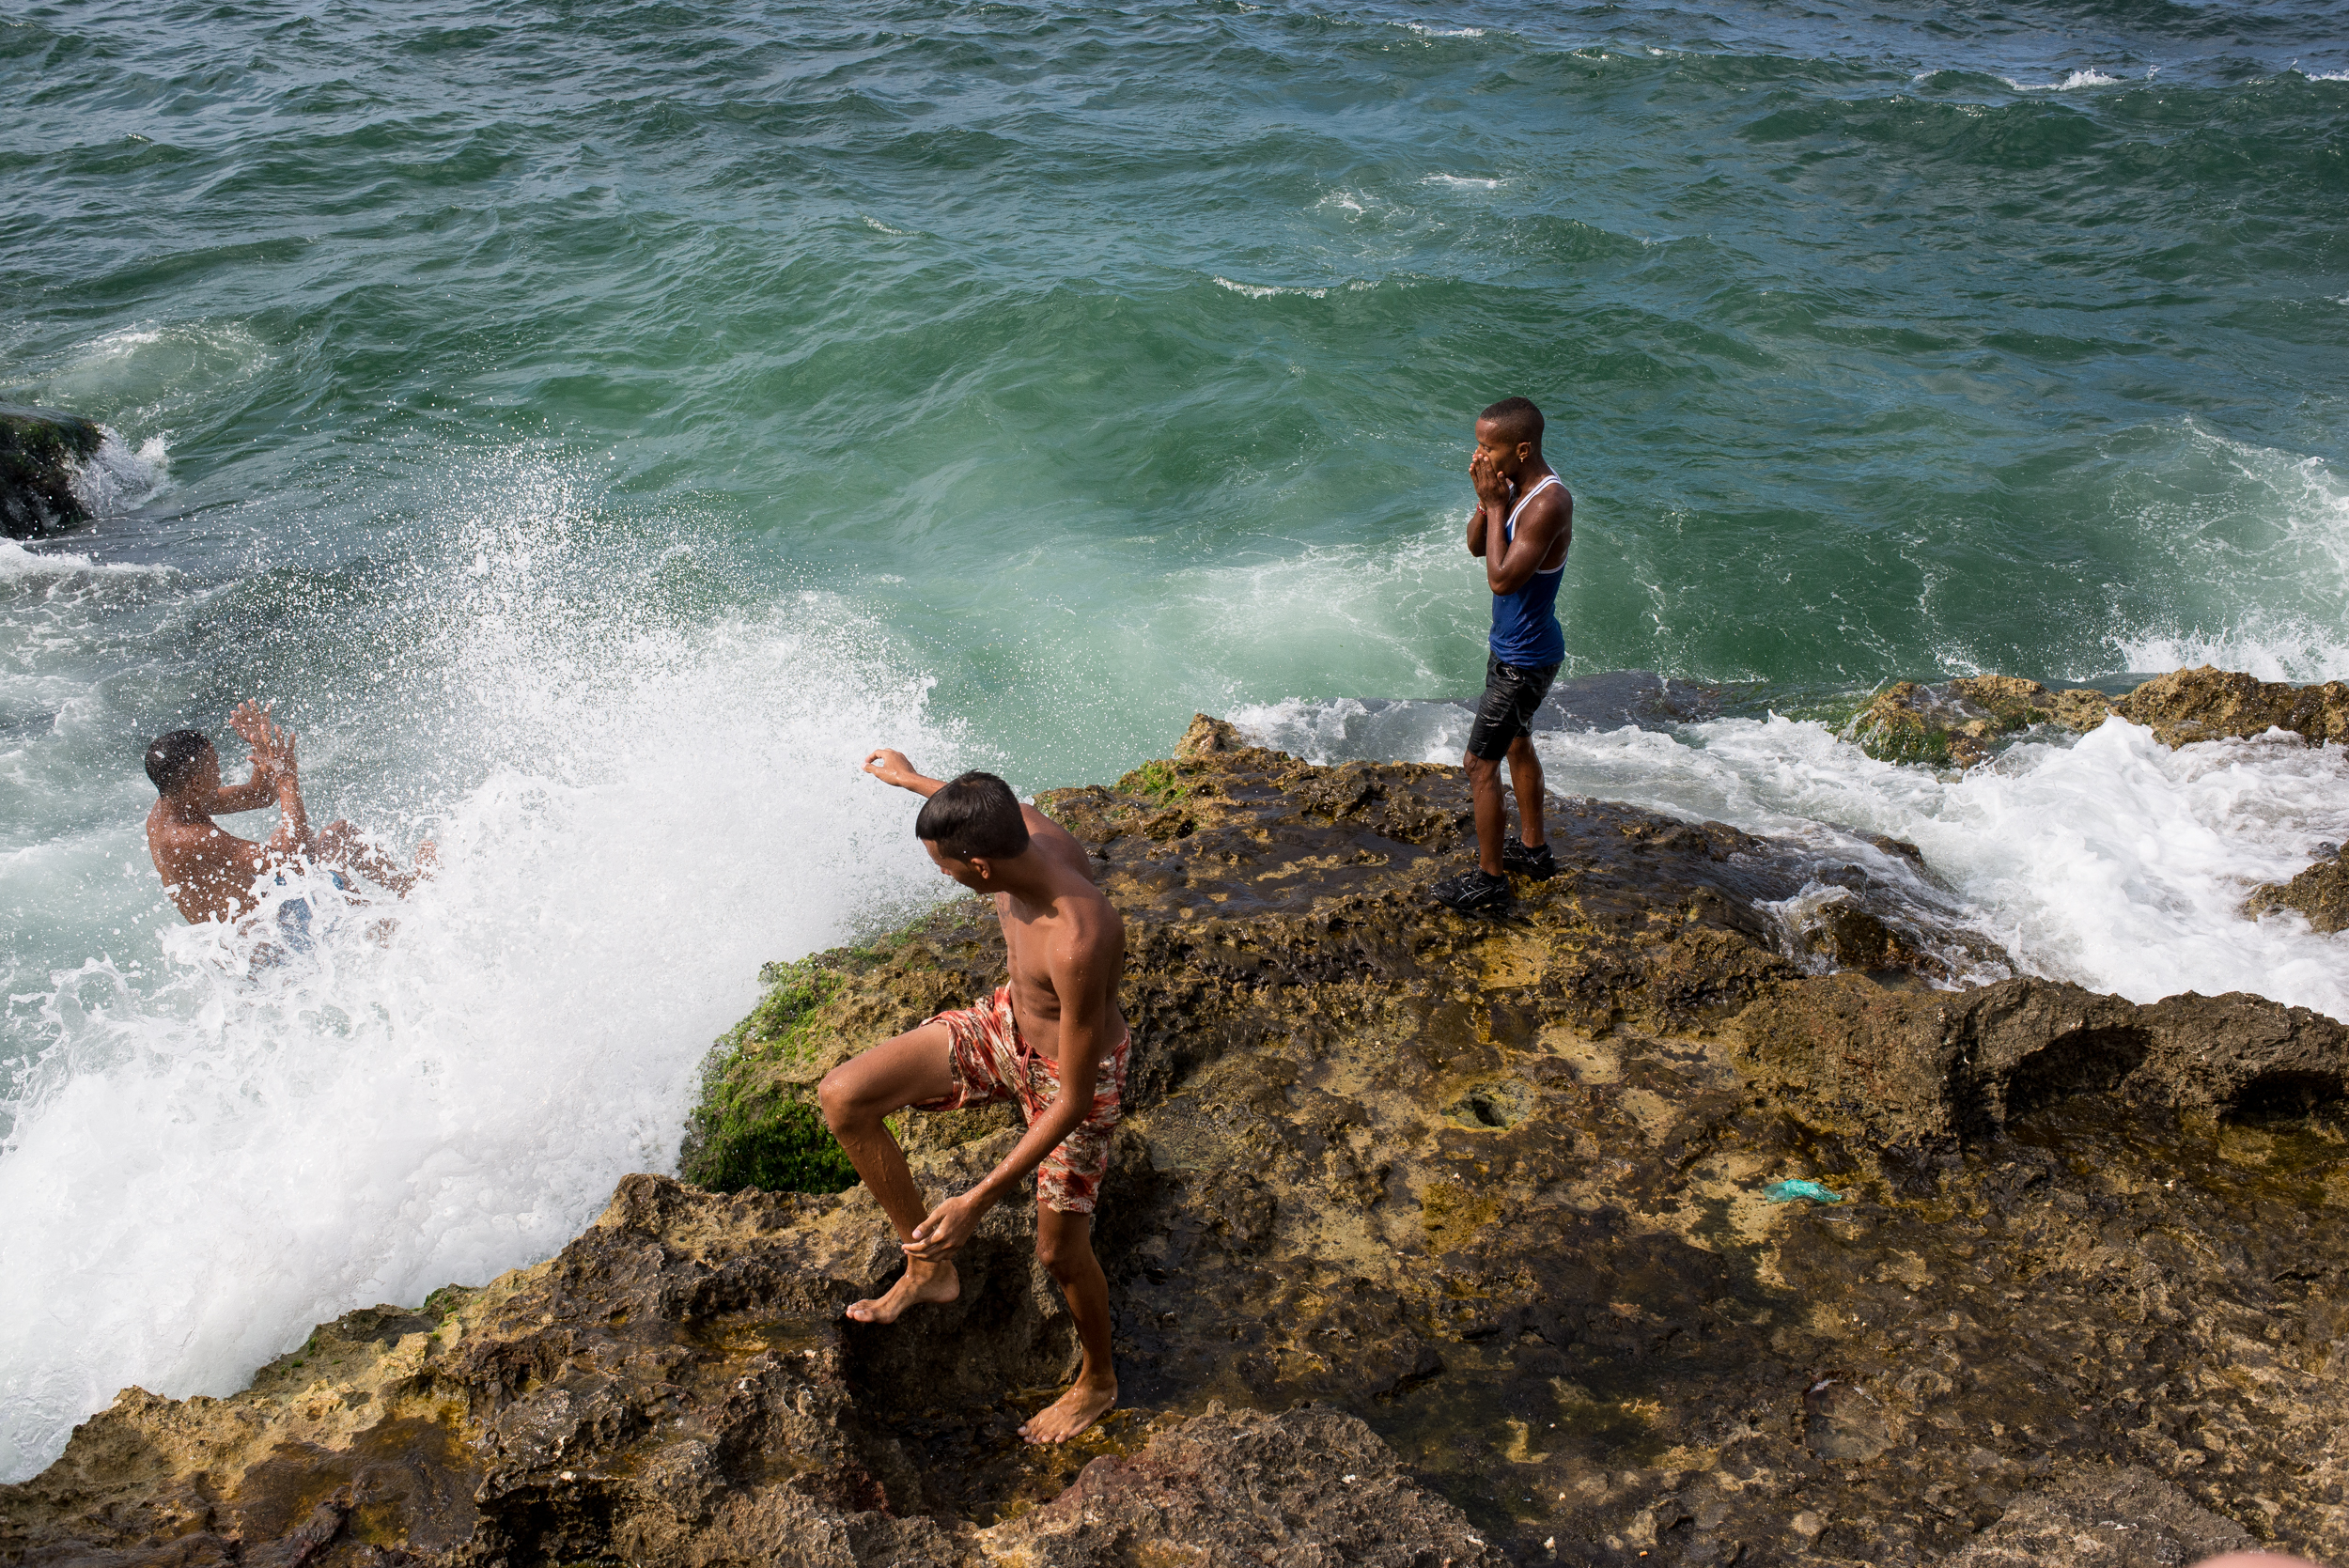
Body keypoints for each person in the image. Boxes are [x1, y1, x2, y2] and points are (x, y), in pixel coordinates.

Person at [819, 753, 1128, 1445]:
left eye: (944, 866)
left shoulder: (1080, 937)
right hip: (1004, 1025)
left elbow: (1074, 1098)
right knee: (844, 1096)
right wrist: (913, 779)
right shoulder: (1017, 830)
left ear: (980, 866)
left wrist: (975, 1200)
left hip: (1071, 1077)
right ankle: (928, 1263)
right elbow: (981, 805)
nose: (943, 874)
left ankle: (1099, 1380)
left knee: (1059, 1253)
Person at [1433, 396, 1574, 915]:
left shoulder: (1548, 502)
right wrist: (1485, 499)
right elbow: (1476, 547)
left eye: (1487, 447)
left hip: (1526, 658)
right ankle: (1534, 852)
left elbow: (1500, 579)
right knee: (1517, 743)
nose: (1478, 454)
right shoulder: (1510, 485)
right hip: (1511, 648)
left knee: (1478, 763)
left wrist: (1497, 506)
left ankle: (1490, 882)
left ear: (1521, 448)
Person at [144, 701, 434, 937]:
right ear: (195, 782)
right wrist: (286, 777)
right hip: (272, 943)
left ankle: (404, 892)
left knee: (290, 837)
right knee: (337, 837)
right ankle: (382, 928)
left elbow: (259, 795)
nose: (219, 772)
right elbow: (293, 864)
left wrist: (260, 746)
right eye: (215, 766)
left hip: (262, 918)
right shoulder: (189, 837)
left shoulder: (175, 801)